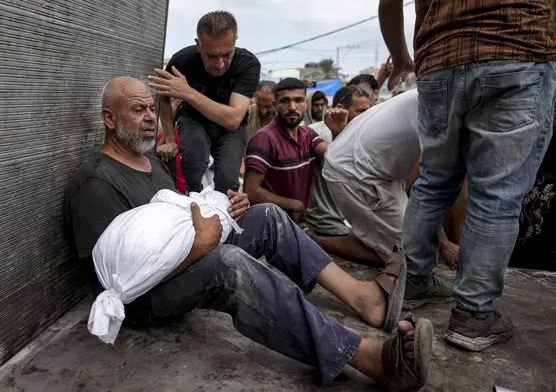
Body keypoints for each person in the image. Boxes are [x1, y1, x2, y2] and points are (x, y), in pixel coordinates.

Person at [64, 76, 433, 391]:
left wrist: (224, 210)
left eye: (151, 108)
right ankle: (368, 358)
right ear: (109, 119)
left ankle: (364, 299)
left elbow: (176, 219)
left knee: (266, 215)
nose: (149, 119)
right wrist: (201, 244)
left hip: (183, 258)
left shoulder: (150, 164)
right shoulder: (95, 182)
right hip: (142, 299)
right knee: (229, 265)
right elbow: (116, 281)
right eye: (137, 110)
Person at [379, 0, 556, 351]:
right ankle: (473, 314)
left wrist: (400, 59)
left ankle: (412, 281)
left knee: (433, 179)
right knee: (497, 194)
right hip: (518, 47)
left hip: (438, 59)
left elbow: (389, 3)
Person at [321, 88, 463, 270]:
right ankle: (314, 242)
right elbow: (420, 189)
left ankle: (370, 236)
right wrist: (445, 245)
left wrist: (457, 243)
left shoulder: (445, 88)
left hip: (378, 169)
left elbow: (458, 189)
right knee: (407, 256)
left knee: (408, 240)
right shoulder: (450, 110)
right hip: (356, 172)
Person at [150, 11, 261, 194]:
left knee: (227, 178)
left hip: (230, 129)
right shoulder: (182, 61)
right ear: (198, 45)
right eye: (211, 56)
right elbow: (164, 98)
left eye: (226, 54)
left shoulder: (248, 65)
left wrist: (188, 93)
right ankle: (191, 199)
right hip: (194, 119)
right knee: (194, 159)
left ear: (235, 42)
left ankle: (223, 215)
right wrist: (169, 138)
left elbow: (232, 119)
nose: (219, 64)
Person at [243, 79, 327, 223]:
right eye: (285, 101)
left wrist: (338, 131)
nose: (292, 107)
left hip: (297, 223)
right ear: (276, 106)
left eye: (298, 100)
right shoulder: (264, 139)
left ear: (306, 104)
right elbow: (251, 191)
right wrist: (295, 205)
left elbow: (331, 155)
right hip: (272, 225)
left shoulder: (308, 134)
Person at [305, 86, 372, 237]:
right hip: (327, 222)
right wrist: (339, 134)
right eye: (361, 112)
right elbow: (338, 164)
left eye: (369, 112)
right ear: (341, 109)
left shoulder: (364, 134)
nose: (367, 117)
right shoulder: (317, 132)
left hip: (353, 219)